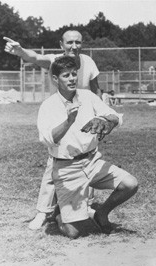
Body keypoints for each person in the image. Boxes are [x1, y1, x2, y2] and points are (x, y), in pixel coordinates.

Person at [4, 30, 101, 230]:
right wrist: (20, 51)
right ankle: (43, 211)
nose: (74, 46)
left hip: (83, 120)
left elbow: (96, 88)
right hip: (60, 118)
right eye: (69, 42)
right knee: (55, 163)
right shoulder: (55, 60)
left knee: (87, 160)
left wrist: (100, 113)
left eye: (78, 42)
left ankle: (86, 205)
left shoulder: (88, 62)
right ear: (61, 44)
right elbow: (36, 57)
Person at [37, 55, 138, 238]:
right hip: (67, 168)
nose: (72, 79)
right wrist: (69, 121)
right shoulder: (48, 106)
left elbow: (116, 116)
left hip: (92, 161)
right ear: (55, 79)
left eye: (74, 74)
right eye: (66, 75)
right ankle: (60, 213)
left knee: (130, 184)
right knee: (74, 233)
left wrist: (106, 121)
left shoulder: (87, 96)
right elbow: (47, 140)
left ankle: (101, 213)